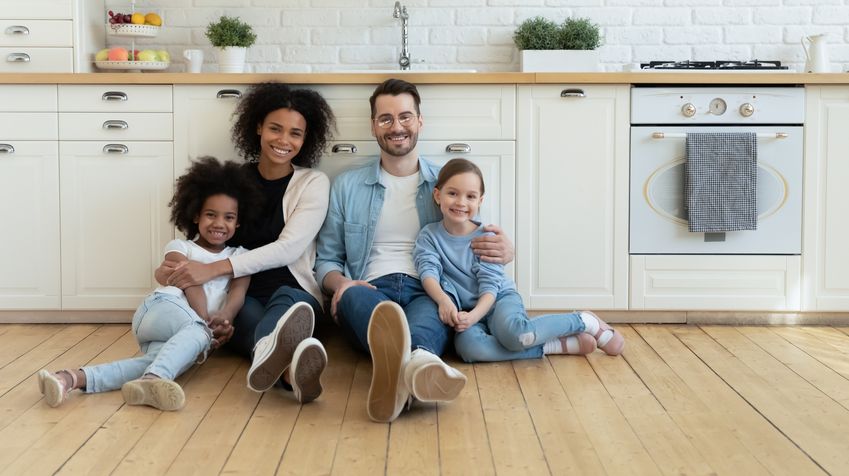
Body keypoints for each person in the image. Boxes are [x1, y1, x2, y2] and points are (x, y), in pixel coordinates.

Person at [315, 78, 516, 423]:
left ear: (420, 122)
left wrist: (506, 250)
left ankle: (400, 370)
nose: (397, 127)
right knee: (354, 299)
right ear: (374, 126)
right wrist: (341, 285)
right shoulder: (347, 186)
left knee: (429, 320)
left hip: (428, 289)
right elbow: (328, 260)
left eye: (406, 117)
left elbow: (475, 237)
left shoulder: (447, 182)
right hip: (369, 290)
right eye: (386, 118)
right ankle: (418, 367)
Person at [157, 81, 335, 404]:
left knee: (287, 304)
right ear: (258, 127)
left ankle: (271, 355)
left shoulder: (313, 182)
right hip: (241, 293)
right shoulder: (233, 180)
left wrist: (211, 270)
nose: (284, 140)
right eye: (275, 129)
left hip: (293, 290)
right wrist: (179, 267)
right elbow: (205, 235)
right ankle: (288, 373)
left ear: (305, 138)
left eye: (295, 133)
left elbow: (289, 249)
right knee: (238, 318)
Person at [37, 157, 259, 411]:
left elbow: (238, 293)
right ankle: (154, 382)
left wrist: (224, 319)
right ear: (196, 215)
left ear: (239, 221)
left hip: (186, 330)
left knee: (156, 362)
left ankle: (67, 378)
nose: (220, 223)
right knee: (188, 342)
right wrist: (207, 325)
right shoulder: (180, 246)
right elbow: (189, 282)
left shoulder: (241, 256)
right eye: (211, 214)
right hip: (160, 309)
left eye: (229, 217)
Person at [413, 159, 626, 364]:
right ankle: (556, 346)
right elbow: (428, 272)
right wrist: (443, 300)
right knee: (468, 348)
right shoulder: (429, 236)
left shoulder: (486, 239)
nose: (461, 202)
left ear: (479, 201)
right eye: (452, 193)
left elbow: (490, 287)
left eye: (470, 196)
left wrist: (474, 316)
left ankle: (583, 321)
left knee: (515, 334)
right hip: (466, 311)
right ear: (437, 195)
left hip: (497, 300)